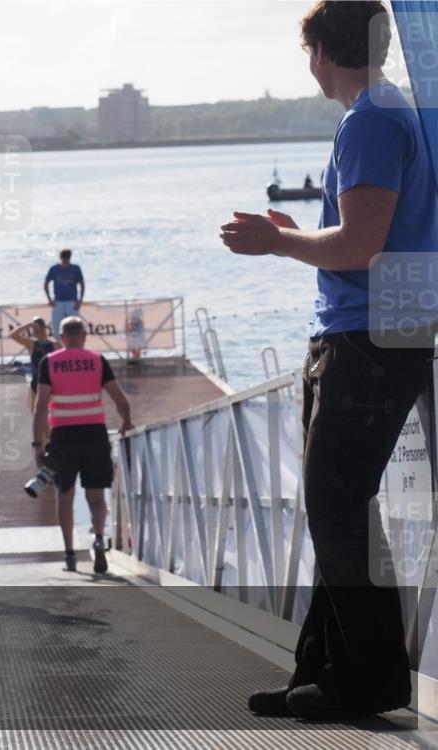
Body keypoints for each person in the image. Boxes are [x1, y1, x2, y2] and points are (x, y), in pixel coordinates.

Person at [219, 1, 437, 721]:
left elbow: (363, 245)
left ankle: (371, 681)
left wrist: (275, 243)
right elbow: (362, 234)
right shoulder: (387, 111)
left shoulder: (371, 119)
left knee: (336, 505)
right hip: (370, 332)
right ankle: (324, 670)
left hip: (367, 338)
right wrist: (300, 234)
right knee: (336, 508)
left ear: (320, 51)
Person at [32, 317, 133, 574]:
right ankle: (99, 538)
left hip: (63, 437)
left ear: (62, 337)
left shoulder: (50, 362)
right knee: (97, 496)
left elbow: (41, 405)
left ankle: (69, 554)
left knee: (64, 496)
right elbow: (120, 399)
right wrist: (126, 421)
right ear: (84, 336)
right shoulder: (97, 361)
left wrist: (37, 444)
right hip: (94, 435)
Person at [9, 316, 61, 410]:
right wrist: (27, 325)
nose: (32, 330)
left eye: (34, 328)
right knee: (35, 410)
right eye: (32, 328)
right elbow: (12, 335)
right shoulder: (31, 343)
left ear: (42, 328)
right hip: (36, 381)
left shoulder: (56, 344)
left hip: (52, 382)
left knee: (52, 411)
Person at [44, 248, 85, 338]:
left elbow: (82, 284)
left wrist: (80, 300)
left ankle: (75, 348)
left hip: (72, 302)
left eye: (67, 258)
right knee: (57, 329)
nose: (65, 260)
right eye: (64, 258)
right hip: (58, 302)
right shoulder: (54, 269)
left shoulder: (75, 269)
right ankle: (59, 348)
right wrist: (49, 299)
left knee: (75, 328)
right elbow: (46, 283)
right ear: (60, 258)